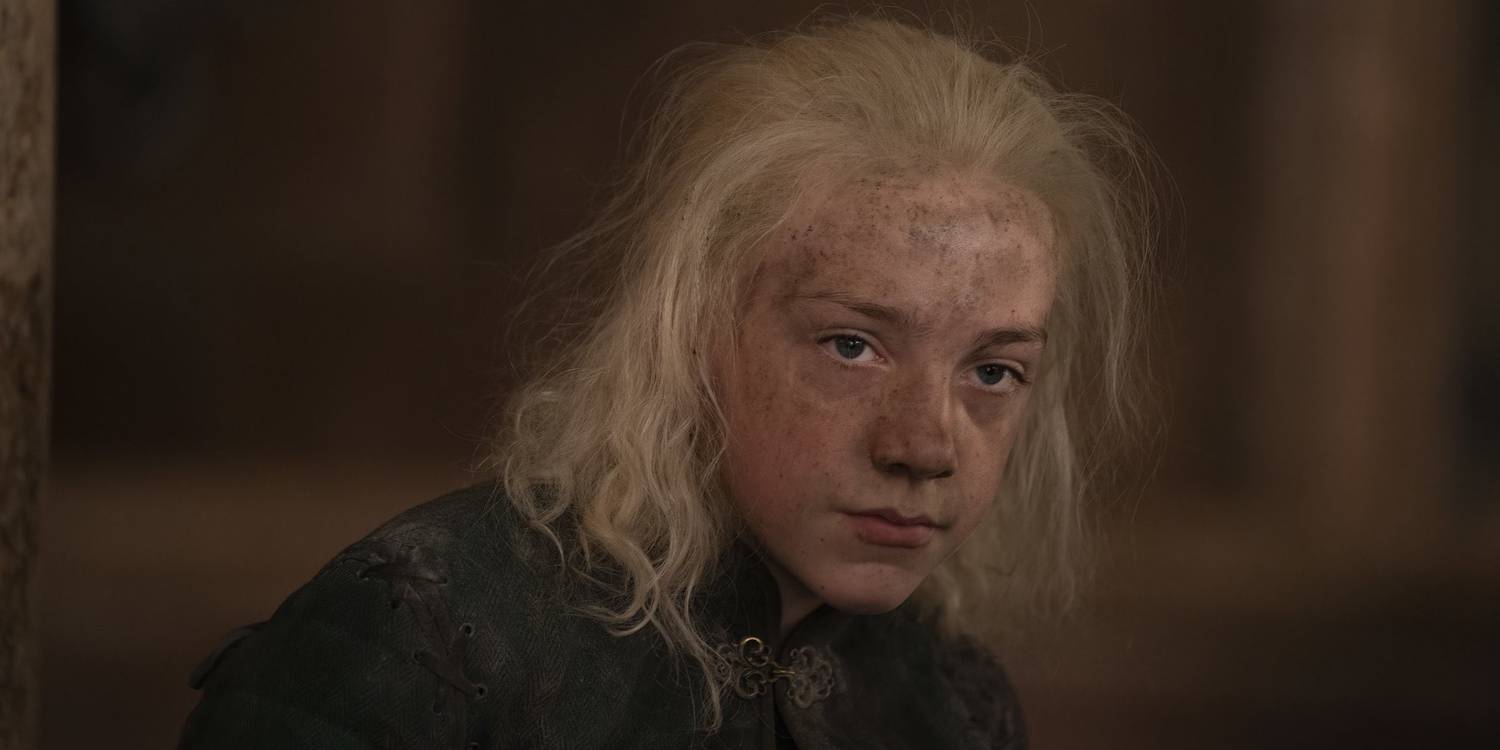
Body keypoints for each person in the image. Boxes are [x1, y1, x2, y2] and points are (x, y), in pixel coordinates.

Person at [179, 14, 1153, 749]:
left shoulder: (951, 705)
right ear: (687, 330)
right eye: (852, 347)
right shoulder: (418, 638)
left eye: (993, 370)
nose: (926, 447)